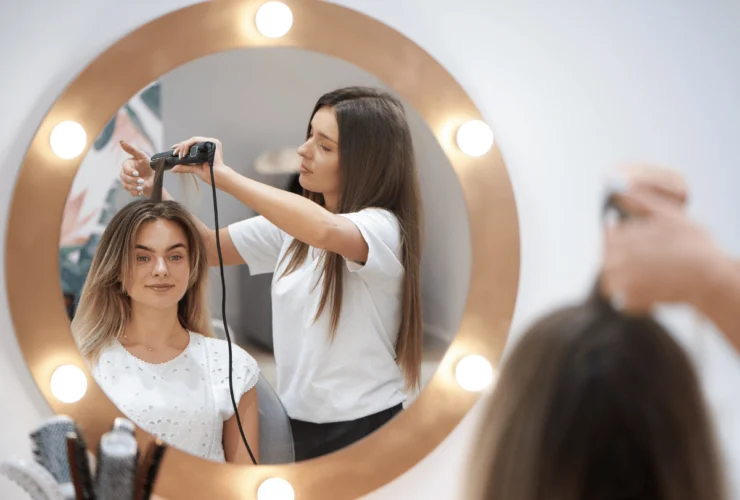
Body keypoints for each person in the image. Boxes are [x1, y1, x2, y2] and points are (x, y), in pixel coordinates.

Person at [118, 86, 424, 461]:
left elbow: (325, 231)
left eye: (325, 146)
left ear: (367, 162)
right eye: (309, 135)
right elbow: (209, 248)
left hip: (367, 428)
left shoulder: (383, 229)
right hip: (297, 422)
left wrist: (224, 177)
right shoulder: (291, 232)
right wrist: (157, 188)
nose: (304, 150)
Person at [71, 199, 260, 464]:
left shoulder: (231, 365)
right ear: (117, 269)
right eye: (143, 257)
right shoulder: (83, 362)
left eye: (175, 256)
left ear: (192, 267)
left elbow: (244, 483)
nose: (161, 270)